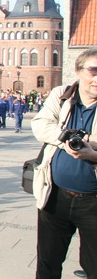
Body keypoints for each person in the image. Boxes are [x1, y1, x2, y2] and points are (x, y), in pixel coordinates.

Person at [31, 47, 97, 278]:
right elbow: (40, 125)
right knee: (47, 263)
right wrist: (68, 138)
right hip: (55, 195)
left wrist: (93, 154)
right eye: (93, 70)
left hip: (93, 202)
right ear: (78, 71)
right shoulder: (63, 94)